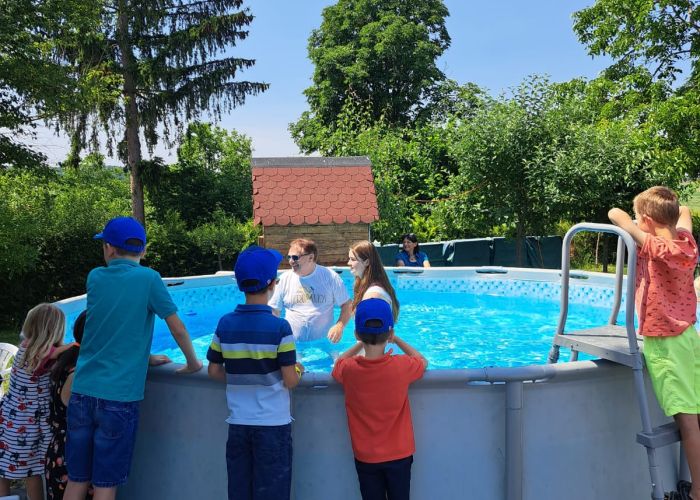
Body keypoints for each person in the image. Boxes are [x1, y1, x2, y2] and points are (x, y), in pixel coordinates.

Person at [63, 216, 202, 500]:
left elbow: (107, 328)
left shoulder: (95, 277)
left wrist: (145, 357)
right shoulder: (149, 279)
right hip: (119, 398)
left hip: (83, 393)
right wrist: (193, 362)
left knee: (77, 479)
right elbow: (177, 327)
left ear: (109, 248)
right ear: (144, 250)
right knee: (105, 484)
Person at [608, 186, 700, 500]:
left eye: (640, 218)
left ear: (646, 221)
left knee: (687, 422)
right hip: (688, 337)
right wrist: (664, 210)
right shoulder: (686, 242)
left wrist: (631, 218)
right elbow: (683, 213)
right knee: (697, 414)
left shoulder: (654, 247)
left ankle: (697, 493)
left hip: (665, 342)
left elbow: (618, 217)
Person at [207, 245, 304, 500]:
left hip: (238, 425)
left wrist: (240, 377)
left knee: (239, 491)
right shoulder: (280, 328)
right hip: (273, 426)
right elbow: (290, 380)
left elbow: (214, 370)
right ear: (272, 284)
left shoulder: (225, 323)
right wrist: (298, 369)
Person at [45, 310, 171, 500]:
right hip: (72, 457)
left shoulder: (68, 362)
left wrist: (144, 358)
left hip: (58, 454)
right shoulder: (82, 376)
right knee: (104, 487)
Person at [332, 298, 427, 500]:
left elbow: (338, 364)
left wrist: (359, 344)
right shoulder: (401, 366)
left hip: (366, 456)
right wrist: (397, 340)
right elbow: (422, 361)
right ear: (390, 334)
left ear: (357, 334)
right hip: (400, 454)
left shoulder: (349, 369)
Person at [0, 303, 75, 500]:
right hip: (25, 423)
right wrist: (75, 345)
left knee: (7, 468)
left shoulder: (26, 346)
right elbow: (48, 353)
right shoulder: (36, 353)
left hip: (11, 419)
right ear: (56, 330)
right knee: (32, 471)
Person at [270, 238, 352, 343]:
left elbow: (347, 304)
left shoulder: (330, 277)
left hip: (324, 344)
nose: (291, 261)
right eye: (289, 257)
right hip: (293, 345)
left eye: (295, 257)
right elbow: (274, 311)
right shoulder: (284, 279)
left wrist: (339, 326)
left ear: (311, 257)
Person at [348, 240, 399, 321]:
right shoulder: (366, 285)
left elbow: (372, 328)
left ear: (367, 262)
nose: (348, 263)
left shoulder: (373, 295)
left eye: (353, 259)